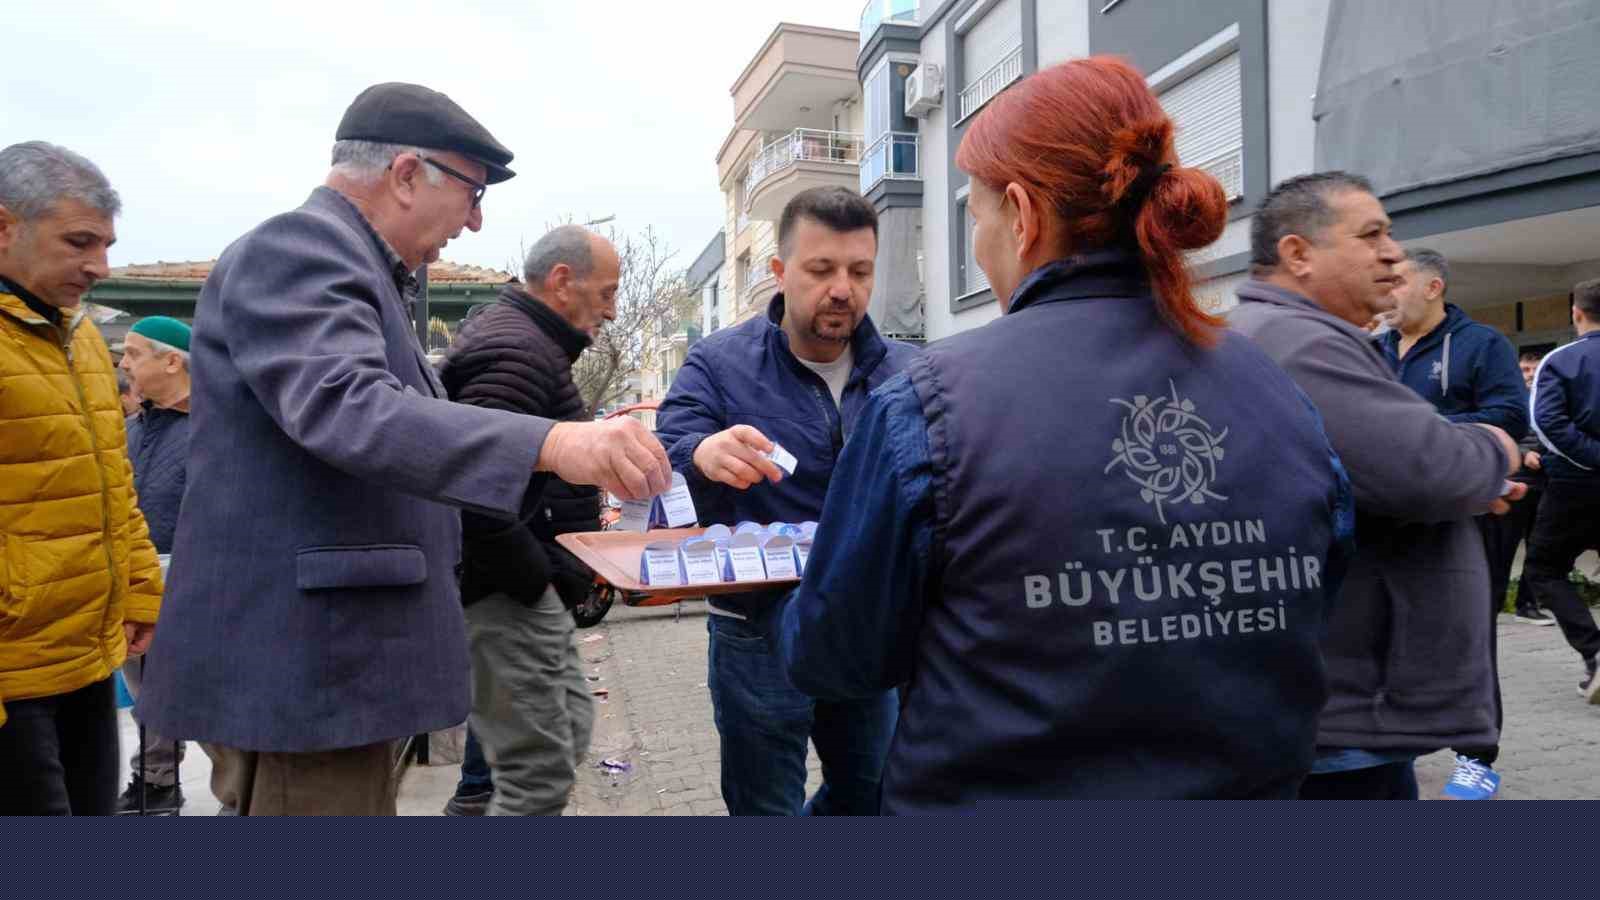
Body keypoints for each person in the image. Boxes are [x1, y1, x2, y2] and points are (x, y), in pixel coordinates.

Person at [761, 57, 1352, 809]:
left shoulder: (927, 403)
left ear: (1022, 214)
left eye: (975, 220)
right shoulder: (1275, 388)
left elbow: (834, 656)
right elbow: (1318, 593)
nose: (978, 246)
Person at [135, 83, 670, 816]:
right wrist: (553, 441)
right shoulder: (299, 251)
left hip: (338, 671)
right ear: (408, 173)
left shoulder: (358, 269)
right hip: (307, 675)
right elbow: (350, 408)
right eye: (472, 193)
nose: (476, 223)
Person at [1228, 172, 1523, 800]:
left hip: (1337, 695)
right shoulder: (1300, 343)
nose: (1393, 252)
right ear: (1298, 254)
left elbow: (1384, 464)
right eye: (1371, 235)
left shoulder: (1296, 335)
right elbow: (1429, 468)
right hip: (1343, 708)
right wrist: (1495, 450)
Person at [655, 186, 917, 815]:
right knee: (763, 808)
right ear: (779, 272)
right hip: (755, 630)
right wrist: (701, 454)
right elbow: (663, 452)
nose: (842, 289)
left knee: (869, 792)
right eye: (821, 269)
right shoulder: (718, 363)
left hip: (862, 625)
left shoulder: (907, 370)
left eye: (859, 271)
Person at [0, 141, 164, 815]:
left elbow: (110, 483)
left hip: (86, 657)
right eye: (79, 243)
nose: (100, 266)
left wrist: (140, 590)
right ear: (4, 226)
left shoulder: (79, 335)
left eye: (106, 245)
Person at [438, 225, 618, 816]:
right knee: (538, 768)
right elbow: (473, 484)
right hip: (505, 588)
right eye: (607, 293)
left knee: (561, 737)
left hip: (519, 583)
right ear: (563, 282)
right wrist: (536, 575)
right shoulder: (515, 349)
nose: (612, 312)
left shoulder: (529, 342)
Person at [1376, 248, 1528, 797]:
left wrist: (1419, 428)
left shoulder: (1481, 344)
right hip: (1392, 512)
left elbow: (1509, 414)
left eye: (1399, 282)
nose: (1387, 292)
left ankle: (1477, 758)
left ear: (1433, 287)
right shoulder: (1376, 349)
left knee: (1469, 633)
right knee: (1392, 628)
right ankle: (1400, 740)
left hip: (1467, 510)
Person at [114, 316, 194, 813]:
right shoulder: (129, 431)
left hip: (194, 583)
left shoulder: (219, 430)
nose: (124, 364)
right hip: (132, 583)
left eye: (133, 353)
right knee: (145, 688)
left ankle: (240, 790)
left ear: (172, 360)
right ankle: (156, 780)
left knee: (199, 690)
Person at [1526, 279, 1600, 701]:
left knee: (1544, 569)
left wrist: (1592, 455)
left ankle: (1594, 651)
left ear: (1577, 313)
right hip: (1580, 477)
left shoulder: (1561, 359)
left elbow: (1547, 423)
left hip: (1574, 483)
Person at [1510, 350, 1556, 626]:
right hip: (1514, 482)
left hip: (1544, 484)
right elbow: (1496, 432)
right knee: (1501, 550)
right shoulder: (1511, 400)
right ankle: (1487, 607)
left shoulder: (1551, 396)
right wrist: (1522, 453)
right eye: (1525, 369)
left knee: (1537, 547)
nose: (1529, 375)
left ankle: (1526, 605)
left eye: (1534, 369)